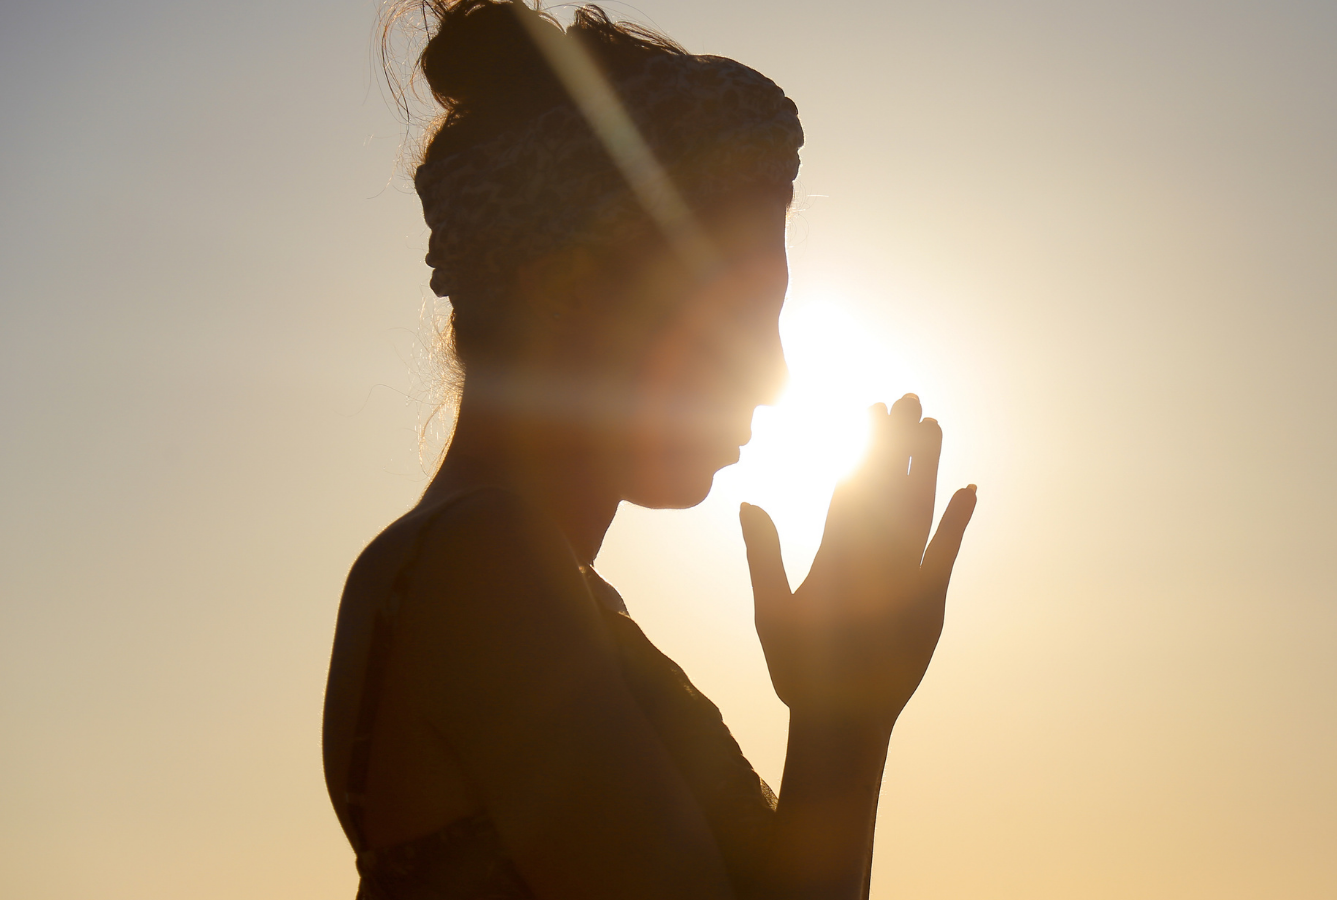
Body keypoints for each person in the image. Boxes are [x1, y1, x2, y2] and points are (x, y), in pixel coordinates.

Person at [321, 3, 978, 898]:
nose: (774, 376)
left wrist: (846, 703)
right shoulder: (478, 568)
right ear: (567, 288)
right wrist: (839, 725)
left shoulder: (529, 579)